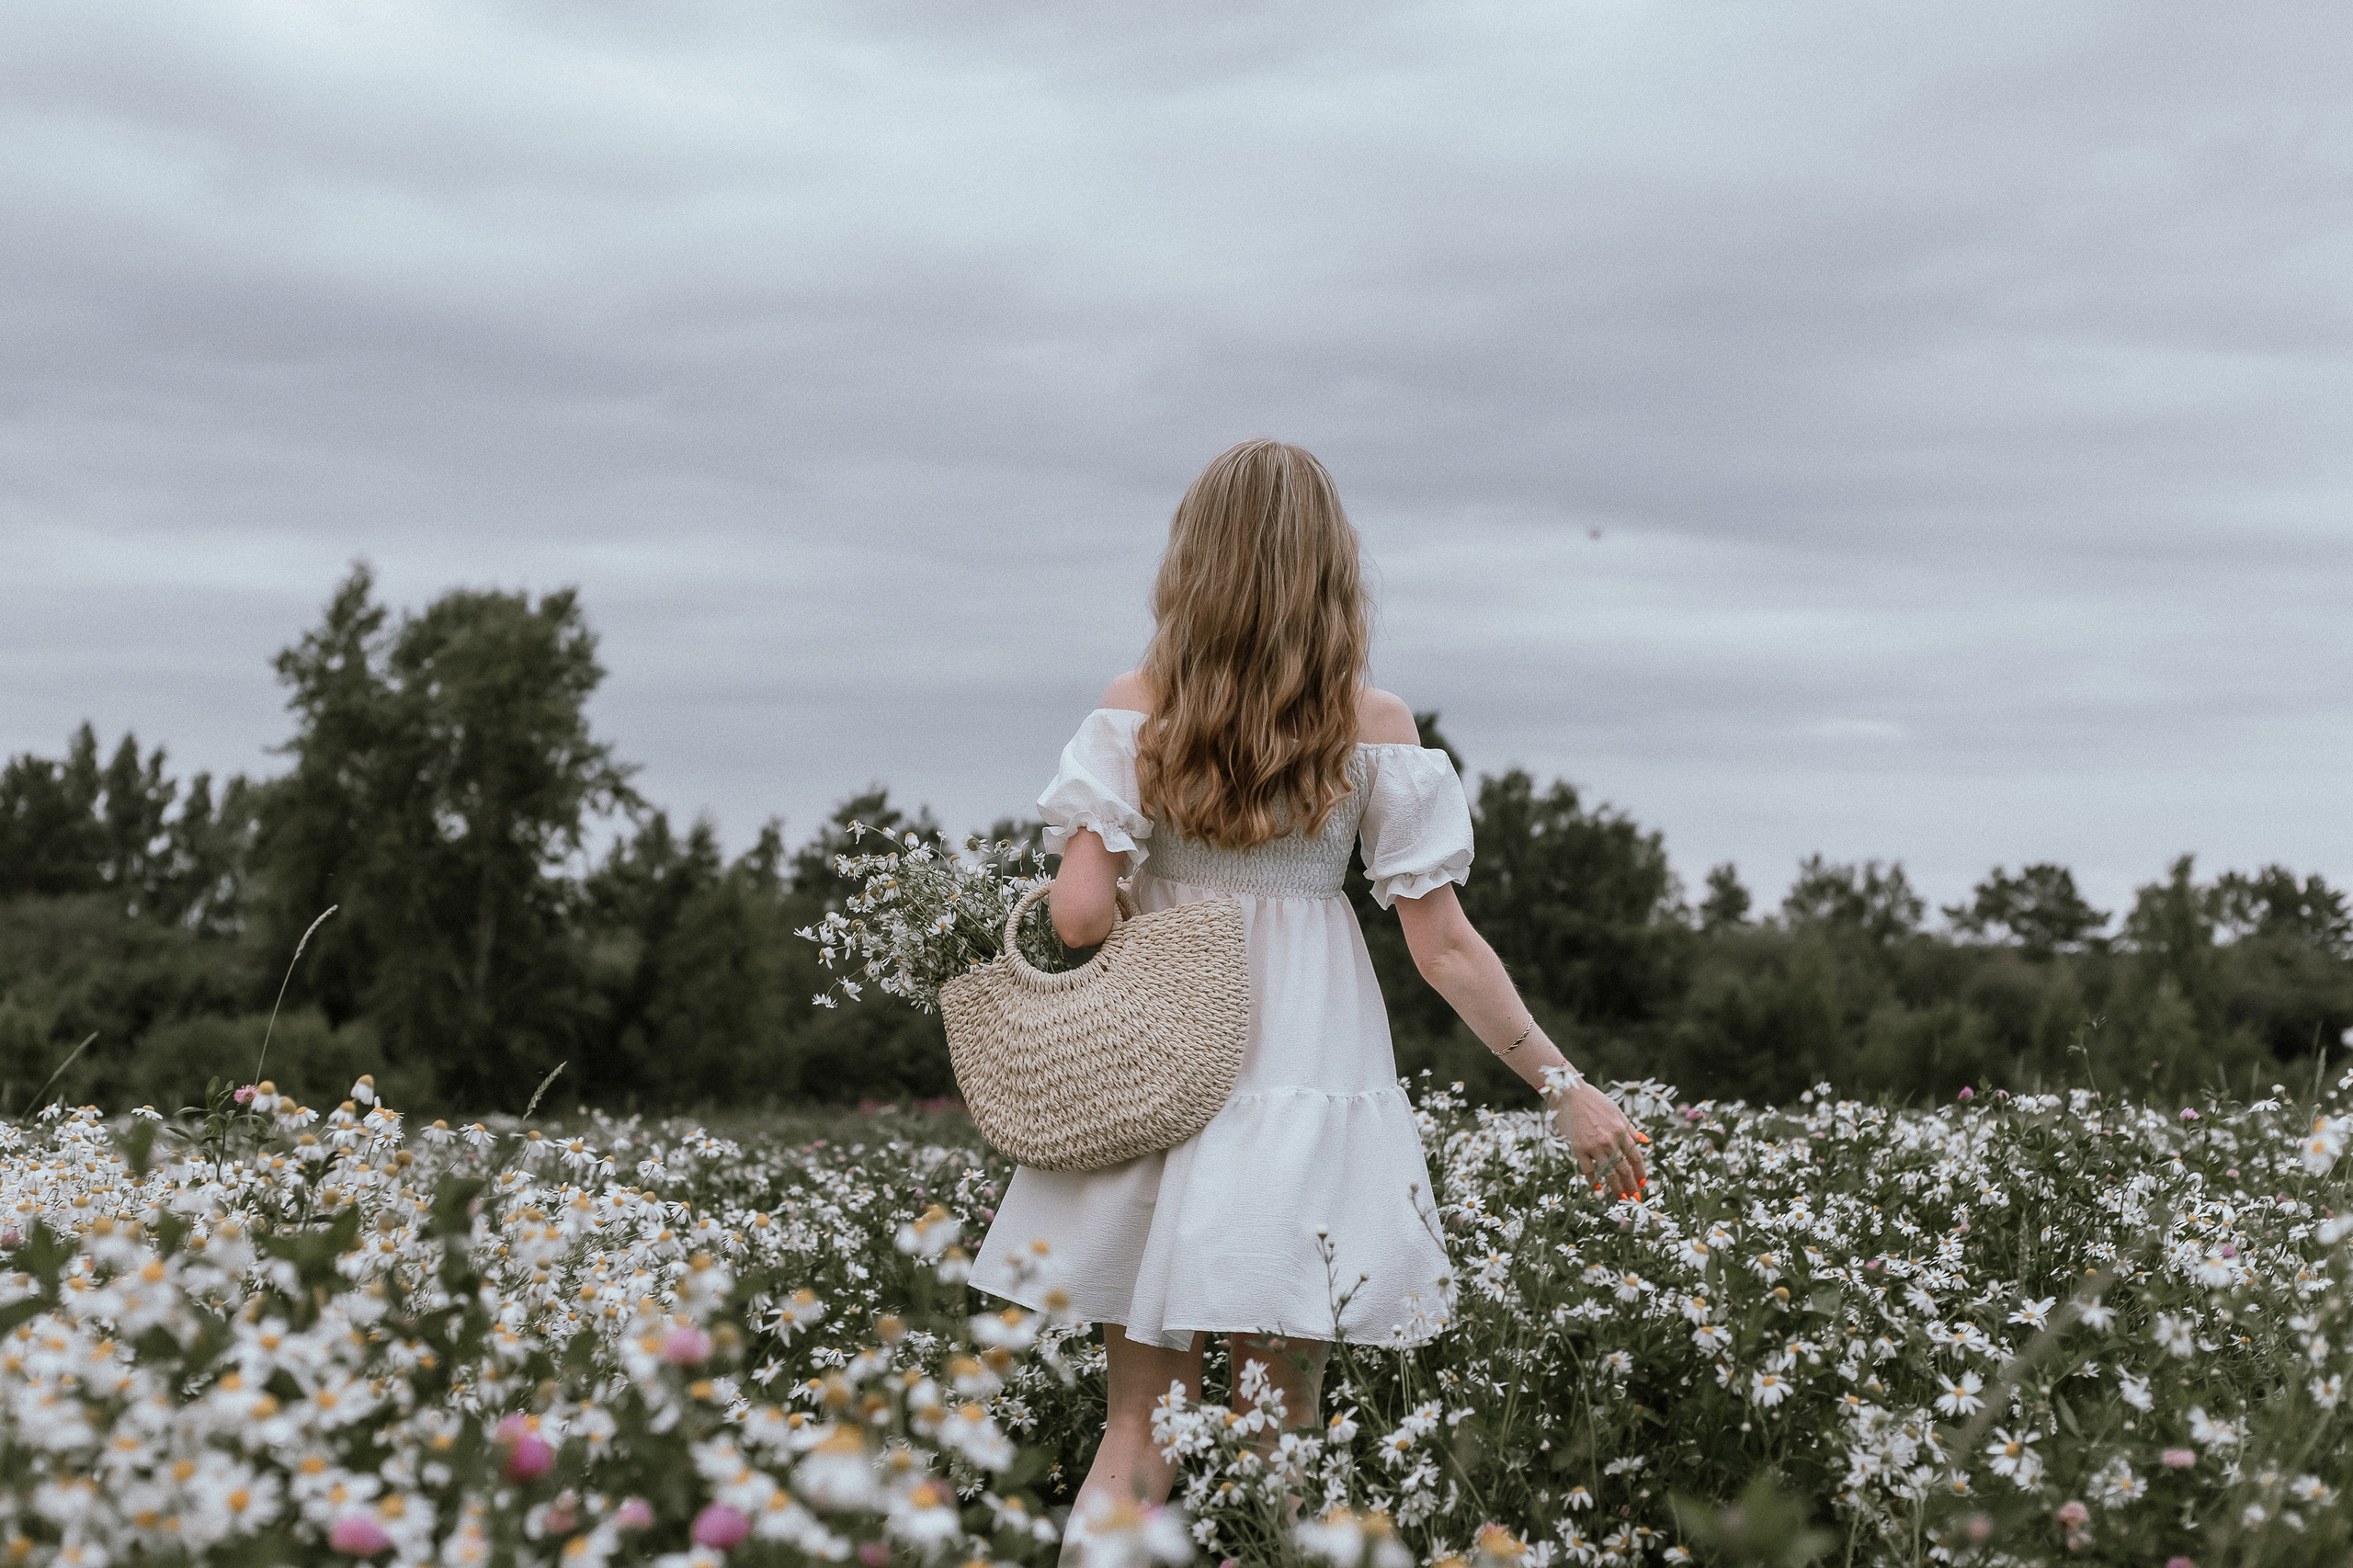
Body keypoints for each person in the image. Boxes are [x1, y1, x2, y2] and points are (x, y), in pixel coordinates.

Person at [969, 438, 1646, 1540]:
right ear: (1331, 566)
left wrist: (1141, 879)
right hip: (1307, 1062)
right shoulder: (1372, 725)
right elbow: (1445, 947)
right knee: (1279, 1430)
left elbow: (1079, 917)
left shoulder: (1137, 708)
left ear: (1192, 558)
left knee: (1137, 1426)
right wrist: (1562, 1085)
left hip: (1160, 1071)